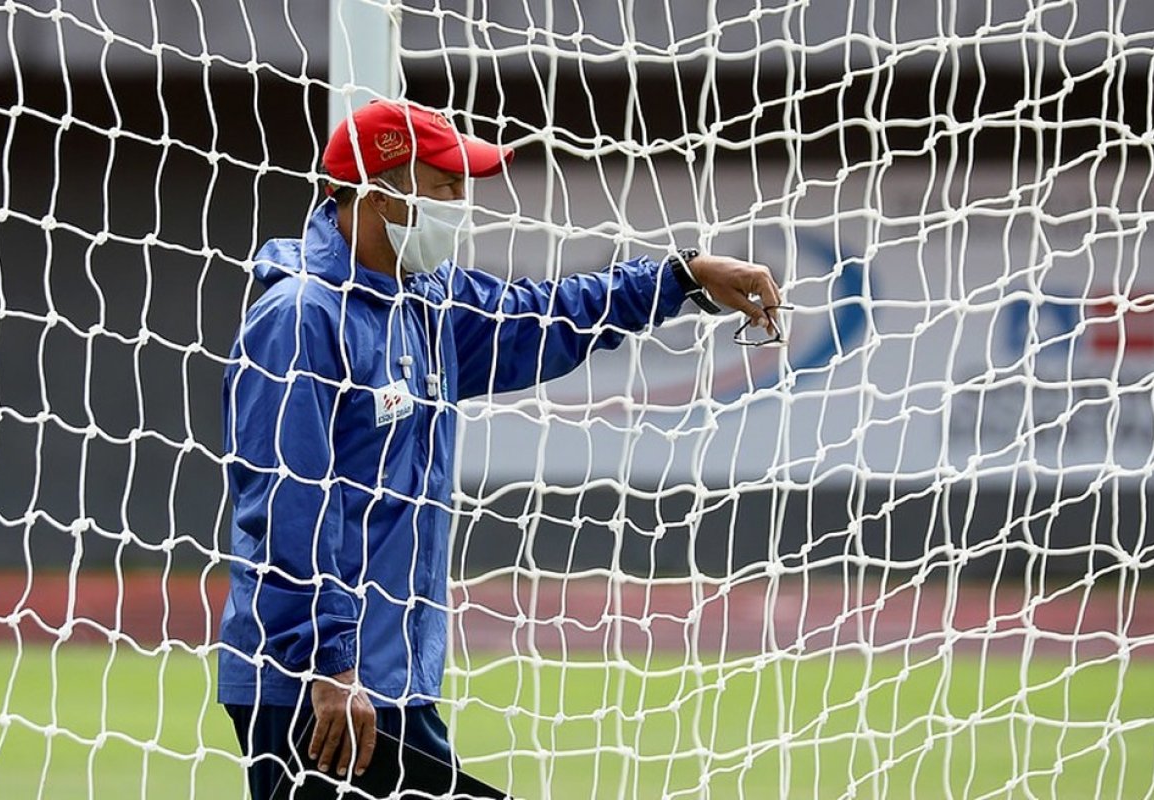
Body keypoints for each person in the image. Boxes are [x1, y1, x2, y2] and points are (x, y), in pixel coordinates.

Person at [217, 99, 783, 798]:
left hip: (390, 681)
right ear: (375, 190)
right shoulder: (301, 318)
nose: (462, 205)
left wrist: (679, 278)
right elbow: (288, 508)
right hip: (319, 686)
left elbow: (547, 315)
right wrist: (330, 667)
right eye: (447, 185)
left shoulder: (427, 302)